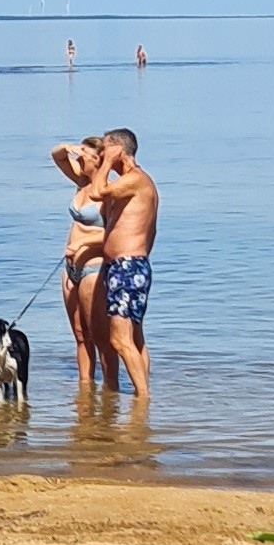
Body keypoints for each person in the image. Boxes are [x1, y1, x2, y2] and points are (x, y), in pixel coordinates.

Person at [90, 126, 160, 405]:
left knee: (120, 340)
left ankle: (142, 401)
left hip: (128, 267)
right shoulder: (131, 184)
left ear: (119, 148)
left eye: (105, 148)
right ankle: (141, 398)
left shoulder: (136, 179)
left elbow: (98, 191)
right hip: (126, 266)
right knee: (135, 338)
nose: (101, 154)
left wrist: (107, 163)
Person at [49, 135, 113, 393]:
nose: (78, 159)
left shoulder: (108, 191)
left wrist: (83, 246)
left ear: (98, 161)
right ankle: (85, 388)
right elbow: (57, 156)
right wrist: (66, 147)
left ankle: (111, 388)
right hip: (70, 268)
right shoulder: (82, 181)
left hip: (93, 267)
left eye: (84, 157)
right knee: (79, 334)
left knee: (99, 336)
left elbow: (114, 233)